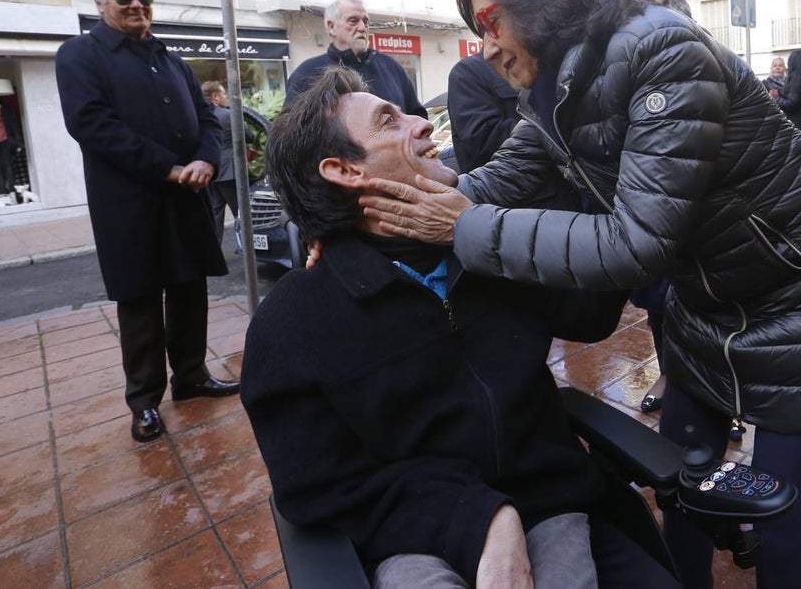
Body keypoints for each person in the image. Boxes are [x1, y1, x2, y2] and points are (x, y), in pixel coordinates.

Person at [355, 0, 801, 589]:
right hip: (714, 295)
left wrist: (462, 227)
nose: (484, 45)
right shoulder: (550, 90)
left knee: (777, 504)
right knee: (685, 470)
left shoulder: (663, 51)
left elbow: (637, 243)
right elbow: (492, 183)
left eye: (490, 20)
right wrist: (374, 229)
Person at [242, 67, 678, 589]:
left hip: (554, 503)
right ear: (344, 170)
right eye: (389, 120)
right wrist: (479, 517)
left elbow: (592, 314)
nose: (422, 124)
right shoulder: (295, 323)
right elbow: (314, 486)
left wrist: (604, 189)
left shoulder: (491, 250)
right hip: (415, 534)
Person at [55, 0, 239, 443]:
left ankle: (191, 376)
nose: (137, 4)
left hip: (186, 196)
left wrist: (204, 161)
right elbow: (92, 125)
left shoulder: (170, 58)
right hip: (129, 204)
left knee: (189, 289)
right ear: (101, 4)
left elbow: (208, 118)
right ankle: (143, 401)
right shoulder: (79, 55)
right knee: (139, 301)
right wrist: (169, 167)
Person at [283, 0, 426, 118]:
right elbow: (289, 134)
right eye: (353, 20)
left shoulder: (391, 68)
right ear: (332, 26)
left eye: (366, 21)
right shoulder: (307, 73)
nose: (362, 28)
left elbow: (417, 116)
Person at [447, 53, 522, 173]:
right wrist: (542, 127)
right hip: (505, 184)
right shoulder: (469, 71)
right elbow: (483, 139)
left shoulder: (535, 65)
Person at [202, 81, 254, 243]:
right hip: (231, 172)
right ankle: (248, 248)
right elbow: (249, 136)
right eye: (223, 94)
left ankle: (214, 251)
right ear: (215, 97)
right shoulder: (227, 115)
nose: (225, 97)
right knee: (241, 212)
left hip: (211, 171)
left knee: (216, 213)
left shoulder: (200, 116)